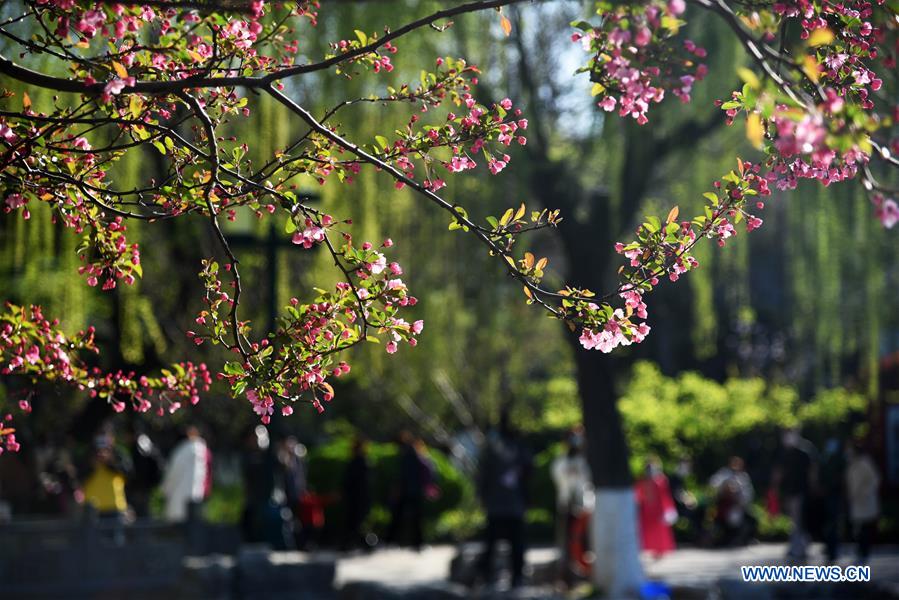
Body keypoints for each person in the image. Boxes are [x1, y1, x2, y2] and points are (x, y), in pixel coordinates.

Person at [477, 412, 532, 588]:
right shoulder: (520, 450)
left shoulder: (492, 450)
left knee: (492, 542)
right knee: (515, 543)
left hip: (496, 505)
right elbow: (529, 475)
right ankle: (516, 577)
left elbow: (482, 478)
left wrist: (483, 498)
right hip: (513, 505)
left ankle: (488, 576)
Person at [550, 426, 593, 587]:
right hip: (567, 506)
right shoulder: (562, 461)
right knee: (567, 541)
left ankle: (587, 573)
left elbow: (588, 480)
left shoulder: (586, 459)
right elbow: (559, 478)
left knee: (586, 543)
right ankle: (567, 575)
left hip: (586, 508)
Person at [778, 428, 817, 560]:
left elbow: (812, 471)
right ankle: (798, 546)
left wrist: (813, 488)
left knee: (798, 521)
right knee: (795, 520)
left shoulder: (804, 451)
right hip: (791, 492)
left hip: (800, 491)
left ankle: (798, 547)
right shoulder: (787, 453)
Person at [386, 431, 426, 550]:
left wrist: (399, 488)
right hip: (414, 490)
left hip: (408, 490)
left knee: (400, 516)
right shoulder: (413, 453)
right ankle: (416, 542)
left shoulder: (407, 454)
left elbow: (405, 474)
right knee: (414, 518)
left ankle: (393, 540)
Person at [161, 426, 209, 522]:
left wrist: (165, 488)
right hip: (196, 493)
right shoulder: (203, 449)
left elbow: (173, 472)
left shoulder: (183, 450)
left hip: (180, 492)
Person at [845, 441, 880, 562]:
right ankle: (860, 553)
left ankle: (863, 554)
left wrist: (864, 493)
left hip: (865, 502)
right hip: (856, 502)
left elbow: (874, 479)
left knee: (864, 530)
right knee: (858, 530)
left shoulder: (865, 463)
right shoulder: (851, 464)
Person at [635, 458, 677, 557]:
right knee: (648, 530)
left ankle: (660, 550)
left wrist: (668, 509)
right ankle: (652, 549)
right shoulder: (642, 481)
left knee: (660, 531)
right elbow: (638, 495)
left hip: (659, 510)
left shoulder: (661, 480)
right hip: (646, 510)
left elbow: (665, 496)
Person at [709, 456, 755, 546]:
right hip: (723, 506)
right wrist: (726, 487)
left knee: (750, 519)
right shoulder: (724, 473)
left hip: (738, 506)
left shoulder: (743, 477)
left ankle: (741, 539)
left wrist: (739, 499)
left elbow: (749, 494)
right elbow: (713, 484)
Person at [82, 434, 130, 517]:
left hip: (115, 506)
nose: (101, 454)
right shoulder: (88, 459)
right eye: (98, 450)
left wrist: (109, 462)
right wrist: (92, 465)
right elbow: (80, 477)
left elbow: (127, 472)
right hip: (93, 508)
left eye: (105, 449)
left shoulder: (119, 456)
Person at [817, 438, 846, 562]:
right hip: (827, 495)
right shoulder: (826, 459)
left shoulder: (838, 460)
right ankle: (830, 548)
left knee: (833, 523)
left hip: (834, 494)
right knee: (828, 523)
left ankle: (832, 549)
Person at [342, 436, 372, 550]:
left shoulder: (360, 461)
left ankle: (354, 543)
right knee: (354, 521)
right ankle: (357, 543)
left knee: (355, 521)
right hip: (356, 496)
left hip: (358, 496)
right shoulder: (360, 461)